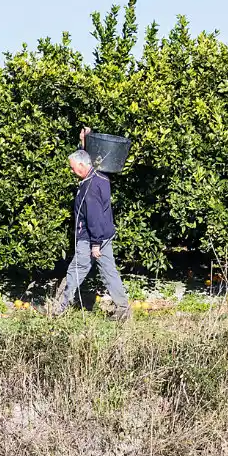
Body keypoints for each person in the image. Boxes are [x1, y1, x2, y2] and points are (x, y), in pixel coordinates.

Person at [52, 126, 131, 319]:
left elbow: (94, 216)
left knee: (76, 269)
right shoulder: (99, 175)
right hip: (104, 234)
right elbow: (89, 158)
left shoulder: (91, 187)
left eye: (72, 167)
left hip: (91, 237)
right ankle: (123, 310)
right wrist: (84, 141)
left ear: (81, 166)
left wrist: (95, 244)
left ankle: (60, 308)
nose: (72, 170)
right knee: (109, 272)